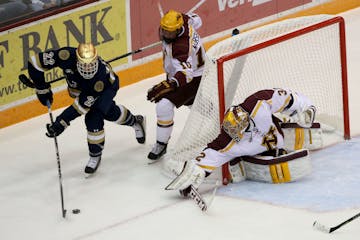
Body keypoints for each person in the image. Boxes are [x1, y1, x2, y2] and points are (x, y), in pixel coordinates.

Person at [165, 88, 317, 195]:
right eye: (232, 132)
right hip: (255, 150)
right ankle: (240, 161)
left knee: (278, 144)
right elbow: (212, 153)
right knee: (229, 153)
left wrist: (307, 109)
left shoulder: (258, 103)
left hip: (276, 138)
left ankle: (270, 150)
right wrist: (197, 171)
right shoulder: (229, 139)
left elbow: (288, 97)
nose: (234, 134)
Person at [27, 43, 146, 174]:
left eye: (91, 64)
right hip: (83, 89)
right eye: (84, 64)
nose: (88, 68)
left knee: (93, 117)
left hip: (106, 88)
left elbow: (80, 107)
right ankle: (135, 121)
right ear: (77, 59)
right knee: (109, 112)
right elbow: (35, 62)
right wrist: (41, 88)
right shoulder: (65, 56)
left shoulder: (98, 80)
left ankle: (95, 154)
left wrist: (61, 122)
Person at [147, 9, 206, 161]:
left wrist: (171, 83)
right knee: (198, 104)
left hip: (193, 78)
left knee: (164, 106)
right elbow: (197, 19)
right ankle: (216, 114)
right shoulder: (185, 20)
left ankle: (161, 144)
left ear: (178, 30)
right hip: (199, 71)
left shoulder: (180, 48)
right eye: (164, 30)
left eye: (170, 33)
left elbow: (186, 74)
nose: (166, 35)